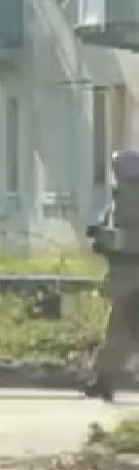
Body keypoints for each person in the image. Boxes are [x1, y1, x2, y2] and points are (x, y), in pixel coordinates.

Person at [84, 148, 139, 401]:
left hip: (131, 276)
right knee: (121, 329)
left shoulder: (131, 198)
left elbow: (127, 238)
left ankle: (104, 378)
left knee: (122, 329)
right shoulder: (123, 197)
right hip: (124, 275)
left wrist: (105, 240)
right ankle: (103, 378)